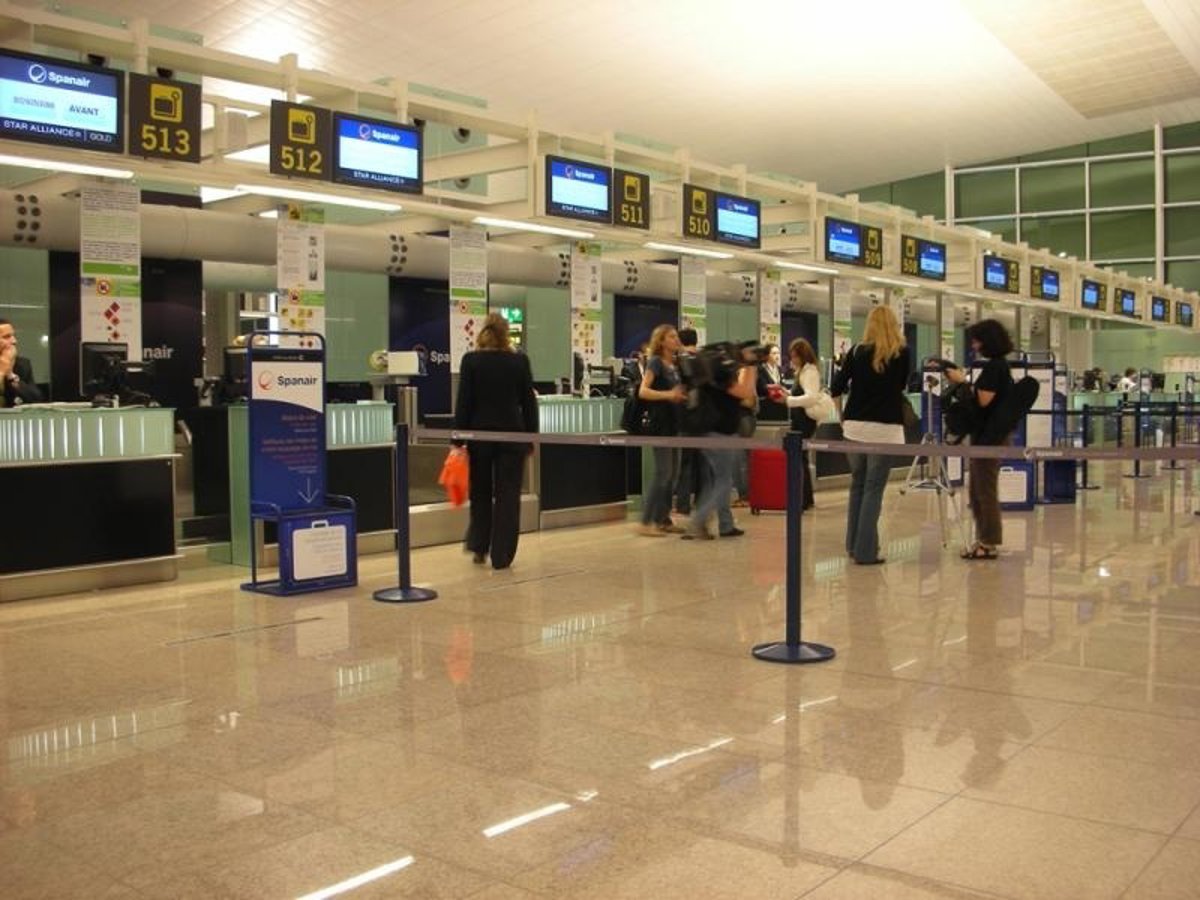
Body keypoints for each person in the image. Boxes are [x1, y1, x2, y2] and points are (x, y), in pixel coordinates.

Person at [454, 312, 538, 570]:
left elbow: (464, 401)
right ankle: (501, 555)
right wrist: (531, 437)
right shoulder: (519, 361)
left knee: (480, 492)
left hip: (479, 437)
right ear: (506, 335)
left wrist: (458, 439)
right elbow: (529, 402)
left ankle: (479, 546)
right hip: (513, 436)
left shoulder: (471, 361)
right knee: (508, 495)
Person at [829, 306, 910, 565]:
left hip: (854, 428)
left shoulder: (856, 351)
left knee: (858, 484)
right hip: (885, 430)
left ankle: (853, 545)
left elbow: (835, 387)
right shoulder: (901, 353)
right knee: (874, 488)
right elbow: (901, 386)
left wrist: (842, 417)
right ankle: (866, 552)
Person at [945, 318, 1014, 560]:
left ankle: (989, 541)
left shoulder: (995, 367)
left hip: (990, 438)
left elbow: (983, 400)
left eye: (977, 341)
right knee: (977, 490)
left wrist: (962, 382)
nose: (974, 346)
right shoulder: (998, 366)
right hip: (987, 436)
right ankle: (984, 538)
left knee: (984, 490)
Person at [684, 345, 757, 540]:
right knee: (724, 482)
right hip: (721, 434)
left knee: (714, 481)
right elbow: (746, 393)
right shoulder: (721, 376)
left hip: (709, 432)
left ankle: (726, 524)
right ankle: (697, 523)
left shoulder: (710, 377)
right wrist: (751, 365)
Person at [636, 325, 686, 536]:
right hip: (661, 425)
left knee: (673, 474)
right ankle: (646, 521)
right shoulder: (655, 363)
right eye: (672, 337)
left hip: (675, 424)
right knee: (663, 472)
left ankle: (663, 519)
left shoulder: (676, 364)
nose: (676, 340)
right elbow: (643, 391)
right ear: (662, 341)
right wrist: (668, 395)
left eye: (676, 336)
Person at [771, 337, 822, 511]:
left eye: (795, 356)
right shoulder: (802, 371)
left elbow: (811, 397)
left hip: (805, 420)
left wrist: (789, 400)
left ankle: (804, 499)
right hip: (800, 418)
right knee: (801, 457)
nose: (792, 360)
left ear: (803, 355)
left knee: (800, 457)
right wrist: (786, 393)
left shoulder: (809, 372)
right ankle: (806, 497)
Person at [673, 327, 702, 515]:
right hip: (703, 419)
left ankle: (683, 504)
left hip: (684, 418)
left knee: (685, 463)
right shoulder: (703, 360)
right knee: (702, 463)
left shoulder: (679, 362)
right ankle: (701, 501)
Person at [0, 318, 43, 407]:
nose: (14, 341)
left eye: (13, 336)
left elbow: (36, 399)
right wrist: (1, 372)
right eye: (6, 337)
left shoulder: (22, 364)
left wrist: (10, 375)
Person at [756, 343, 788, 421]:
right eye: (774, 353)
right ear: (767, 355)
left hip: (780, 404)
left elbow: (782, 384)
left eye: (778, 353)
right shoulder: (761, 369)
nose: (777, 356)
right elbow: (761, 387)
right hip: (766, 405)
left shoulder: (779, 369)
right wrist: (775, 387)